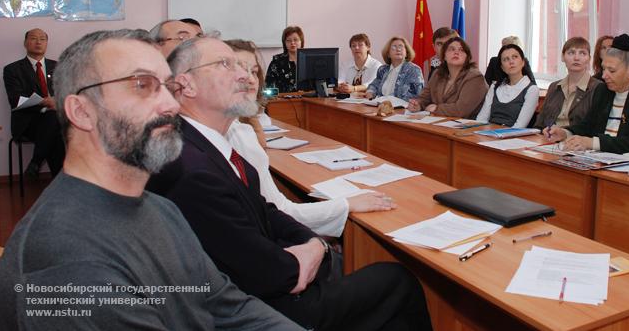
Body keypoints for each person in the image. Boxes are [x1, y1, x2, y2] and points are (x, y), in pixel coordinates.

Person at [0, 29, 300, 330]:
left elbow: (223, 304)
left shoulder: (161, 209)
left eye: (168, 86)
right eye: (143, 85)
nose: (171, 105)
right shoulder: (65, 259)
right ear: (82, 111)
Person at [148, 37, 432, 331]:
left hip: (269, 280)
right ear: (187, 85)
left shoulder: (208, 146)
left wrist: (314, 244)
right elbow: (267, 271)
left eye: (246, 68)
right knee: (398, 281)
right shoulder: (189, 167)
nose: (245, 76)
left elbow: (266, 210)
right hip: (263, 307)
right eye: (225, 65)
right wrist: (311, 254)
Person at [224, 39, 395, 236]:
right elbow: (283, 211)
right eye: (240, 70)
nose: (251, 80)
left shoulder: (238, 129)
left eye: (254, 71)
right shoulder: (235, 134)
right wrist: (346, 204)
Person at [545, 34, 629, 154]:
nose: (604, 76)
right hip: (598, 159)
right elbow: (587, 125)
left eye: (611, 70)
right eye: (603, 69)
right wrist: (564, 133)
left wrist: (592, 143)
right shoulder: (603, 90)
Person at [3, 28, 65, 177]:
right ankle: (61, 182)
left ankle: (36, 162)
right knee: (55, 127)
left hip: (53, 120)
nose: (38, 42)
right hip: (28, 122)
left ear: (46, 43)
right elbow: (15, 99)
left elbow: (67, 92)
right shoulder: (12, 69)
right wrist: (44, 102)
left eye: (42, 39)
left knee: (55, 124)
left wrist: (58, 101)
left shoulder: (58, 66)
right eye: (33, 38)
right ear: (25, 43)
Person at [407, 37, 487, 119]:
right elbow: (425, 97)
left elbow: (461, 110)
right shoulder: (437, 74)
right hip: (438, 122)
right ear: (444, 56)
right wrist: (418, 105)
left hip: (466, 127)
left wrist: (437, 108)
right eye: (451, 49)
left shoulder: (475, 77)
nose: (456, 52)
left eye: (461, 50)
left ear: (467, 57)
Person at [534, 37, 601, 129]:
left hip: (577, 141)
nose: (576, 58)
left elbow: (594, 127)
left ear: (589, 59)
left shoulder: (598, 88)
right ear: (562, 57)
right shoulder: (554, 87)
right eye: (571, 53)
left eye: (582, 53)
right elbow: (540, 123)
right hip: (548, 140)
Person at [476, 44, 539, 127]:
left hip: (512, 137)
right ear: (502, 67)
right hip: (488, 133)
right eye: (506, 59)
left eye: (515, 57)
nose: (511, 62)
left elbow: (519, 127)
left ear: (523, 62)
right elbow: (481, 119)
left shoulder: (532, 89)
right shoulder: (495, 86)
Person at [365, 37, 425, 102]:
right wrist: (370, 92)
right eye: (394, 47)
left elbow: (418, 95)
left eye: (401, 46)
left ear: (406, 53)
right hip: (381, 107)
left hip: (403, 109)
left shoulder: (413, 70)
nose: (398, 49)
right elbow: (374, 85)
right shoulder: (383, 69)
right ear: (388, 54)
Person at [266, 26, 305, 93]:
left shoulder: (308, 60)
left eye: (295, 40)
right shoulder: (277, 61)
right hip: (283, 100)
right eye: (288, 40)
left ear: (301, 41)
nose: (292, 43)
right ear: (285, 43)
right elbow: (269, 85)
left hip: (307, 99)